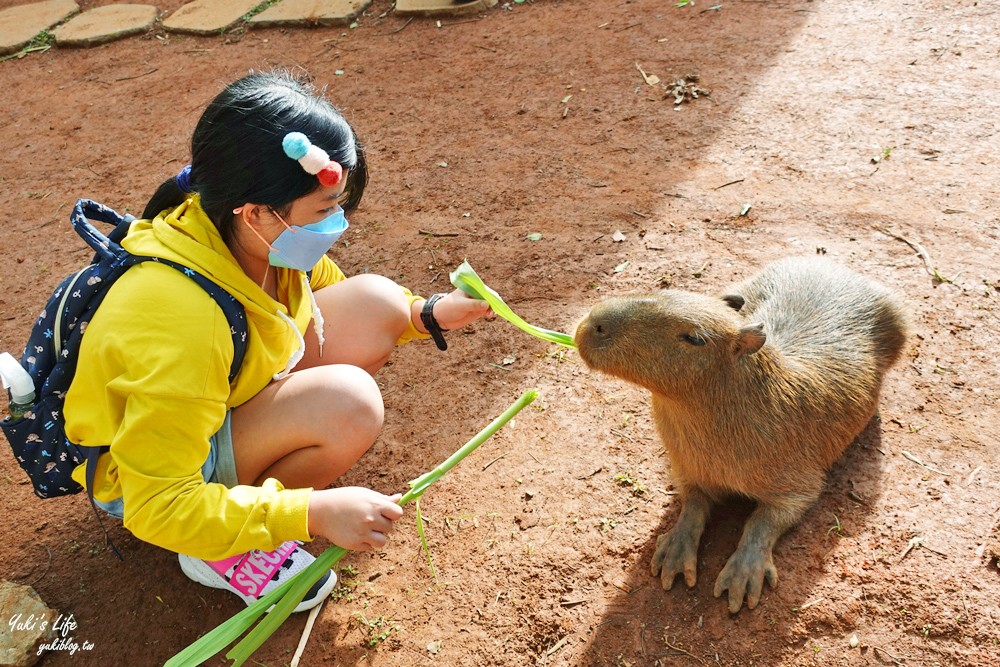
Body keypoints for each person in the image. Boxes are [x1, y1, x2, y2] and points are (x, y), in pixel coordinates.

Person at [63, 70, 492, 612]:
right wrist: (307, 513)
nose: (337, 223)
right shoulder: (177, 319)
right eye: (324, 209)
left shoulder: (243, 234)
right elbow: (157, 505)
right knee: (349, 404)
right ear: (258, 210)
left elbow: (338, 302)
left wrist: (424, 315)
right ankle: (223, 550)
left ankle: (258, 473)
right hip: (157, 484)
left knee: (377, 300)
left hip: (214, 399)